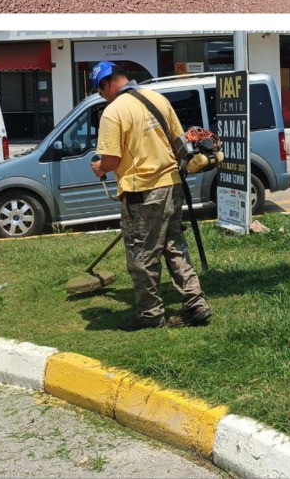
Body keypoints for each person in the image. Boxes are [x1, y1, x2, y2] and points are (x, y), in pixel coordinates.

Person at [87, 62, 214, 331]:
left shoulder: (113, 112)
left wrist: (100, 167)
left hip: (142, 190)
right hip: (172, 184)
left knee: (141, 254)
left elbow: (111, 159)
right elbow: (181, 141)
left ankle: (150, 315)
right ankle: (195, 305)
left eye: (100, 91)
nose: (101, 96)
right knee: (174, 245)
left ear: (106, 84)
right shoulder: (158, 99)